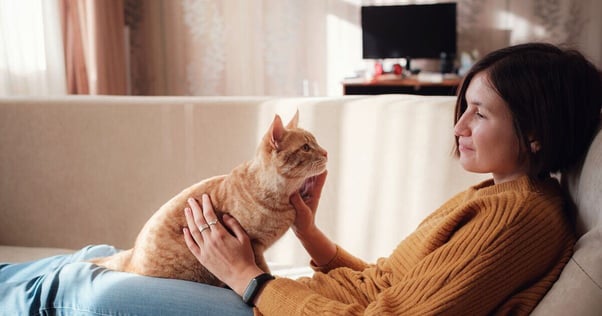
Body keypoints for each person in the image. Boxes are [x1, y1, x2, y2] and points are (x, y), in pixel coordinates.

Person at [1, 42, 600, 315]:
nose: (460, 124)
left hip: (278, 308)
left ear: (538, 131)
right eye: (462, 105)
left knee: (91, 293)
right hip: (295, 300)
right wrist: (311, 236)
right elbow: (391, 286)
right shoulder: (498, 194)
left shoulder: (521, 216)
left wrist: (250, 278)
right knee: (102, 257)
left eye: (481, 112)